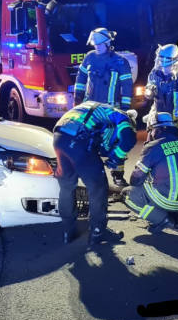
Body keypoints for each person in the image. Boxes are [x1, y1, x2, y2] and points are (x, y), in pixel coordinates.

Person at [53, 101, 138, 245]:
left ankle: (68, 232)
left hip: (59, 139)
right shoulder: (121, 115)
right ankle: (98, 232)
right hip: (79, 141)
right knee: (98, 188)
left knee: (67, 188)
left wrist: (110, 152)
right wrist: (116, 157)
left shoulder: (93, 109)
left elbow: (101, 144)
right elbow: (128, 138)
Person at [74, 27, 134, 187]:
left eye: (100, 44)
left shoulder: (120, 61)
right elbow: (80, 78)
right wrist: (77, 98)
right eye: (95, 44)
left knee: (116, 142)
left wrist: (125, 109)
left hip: (112, 111)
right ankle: (90, 176)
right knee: (88, 142)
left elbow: (127, 87)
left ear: (108, 43)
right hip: (90, 110)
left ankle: (118, 175)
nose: (97, 47)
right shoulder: (89, 58)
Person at [122, 112, 178, 232]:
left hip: (169, 199)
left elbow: (135, 179)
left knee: (127, 195)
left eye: (149, 130)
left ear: (155, 130)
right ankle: (174, 213)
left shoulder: (154, 146)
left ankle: (162, 219)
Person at [144, 44, 178, 139]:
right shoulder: (154, 73)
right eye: (161, 63)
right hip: (157, 121)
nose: (164, 69)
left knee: (174, 152)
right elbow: (150, 95)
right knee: (151, 148)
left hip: (176, 126)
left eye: (167, 65)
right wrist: (150, 92)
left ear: (175, 63)